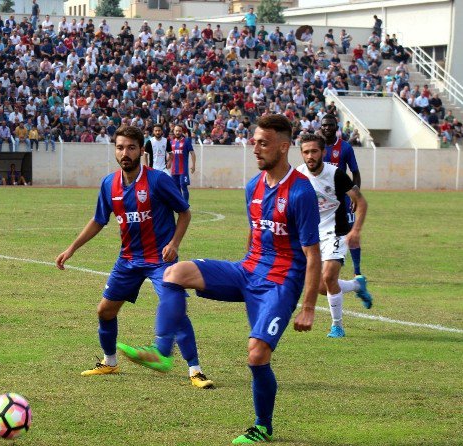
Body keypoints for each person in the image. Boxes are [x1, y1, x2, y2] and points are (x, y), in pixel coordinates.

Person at [116, 115, 322, 444]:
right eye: (254, 141)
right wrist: (243, 273)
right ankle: (162, 351)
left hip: (280, 283)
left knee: (257, 356)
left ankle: (262, 427)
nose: (255, 148)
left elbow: (313, 255)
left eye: (263, 143)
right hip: (248, 270)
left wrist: (308, 306)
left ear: (284, 147)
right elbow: (254, 235)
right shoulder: (253, 186)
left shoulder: (301, 192)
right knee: (174, 272)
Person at [55, 125, 214, 389]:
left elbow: (184, 213)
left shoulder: (158, 180)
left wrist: (174, 243)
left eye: (130, 147)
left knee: (175, 311)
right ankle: (109, 361)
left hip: (160, 260)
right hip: (128, 260)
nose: (125, 153)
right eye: (120, 147)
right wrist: (71, 249)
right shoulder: (109, 184)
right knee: (105, 311)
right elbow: (98, 220)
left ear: (142, 150)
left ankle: (195, 371)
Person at [296, 133, 373, 338]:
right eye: (306, 152)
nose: (310, 156)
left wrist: (355, 230)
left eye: (314, 151)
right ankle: (357, 285)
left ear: (323, 152)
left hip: (336, 231)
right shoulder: (298, 175)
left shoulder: (335, 174)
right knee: (322, 287)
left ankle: (337, 326)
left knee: (329, 277)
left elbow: (361, 202)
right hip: (312, 233)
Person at [320, 114, 364, 277]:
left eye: (330, 125)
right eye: (324, 125)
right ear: (320, 127)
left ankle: (357, 272)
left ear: (336, 127)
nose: (327, 128)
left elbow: (356, 173)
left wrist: (356, 196)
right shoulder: (317, 147)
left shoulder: (345, 148)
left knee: (351, 233)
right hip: (321, 199)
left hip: (343, 199)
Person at [168, 124, 196, 203]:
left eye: (179, 131)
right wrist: (168, 162)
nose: (177, 132)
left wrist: (193, 165)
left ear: (182, 132)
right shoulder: (171, 142)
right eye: (176, 131)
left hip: (183, 170)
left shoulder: (186, 141)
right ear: (174, 131)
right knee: (176, 188)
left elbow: (192, 153)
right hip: (174, 170)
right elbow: (170, 155)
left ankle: (186, 204)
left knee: (183, 186)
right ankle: (180, 203)